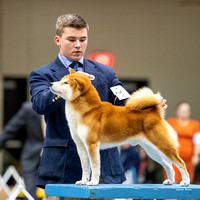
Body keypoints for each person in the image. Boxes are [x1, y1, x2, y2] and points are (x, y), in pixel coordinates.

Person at [28, 14, 167, 199]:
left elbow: (123, 100)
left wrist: (145, 107)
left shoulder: (105, 72)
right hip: (62, 169)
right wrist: (69, 88)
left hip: (105, 169)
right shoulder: (42, 74)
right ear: (58, 40)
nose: (78, 45)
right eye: (71, 39)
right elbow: (39, 105)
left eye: (83, 39)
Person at [0, 102, 44, 199]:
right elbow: (11, 129)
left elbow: (10, 129)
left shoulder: (62, 106)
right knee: (30, 193)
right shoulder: (28, 108)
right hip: (32, 157)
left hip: (48, 156)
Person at [167, 102, 200, 183]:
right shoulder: (170, 122)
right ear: (177, 111)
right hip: (173, 158)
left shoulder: (194, 125)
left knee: (186, 181)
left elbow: (197, 141)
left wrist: (196, 155)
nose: (184, 112)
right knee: (173, 180)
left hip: (188, 160)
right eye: (182, 110)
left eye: (186, 110)